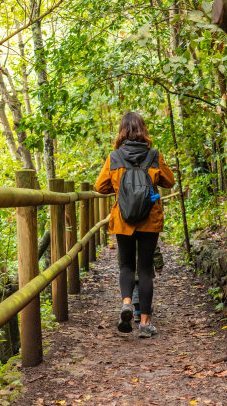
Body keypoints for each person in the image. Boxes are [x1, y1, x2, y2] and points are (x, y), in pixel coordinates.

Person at [94, 112, 175, 338]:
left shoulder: (114, 157)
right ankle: (145, 325)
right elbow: (169, 181)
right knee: (145, 269)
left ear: (122, 131)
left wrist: (121, 189)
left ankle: (127, 303)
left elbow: (100, 186)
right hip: (149, 219)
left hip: (123, 219)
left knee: (127, 266)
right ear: (143, 130)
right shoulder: (154, 156)